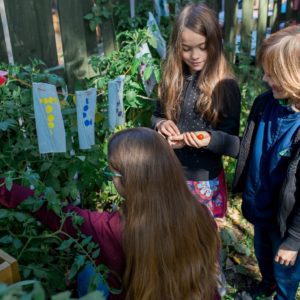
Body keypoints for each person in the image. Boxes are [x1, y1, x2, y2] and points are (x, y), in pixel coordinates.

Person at [0, 127, 220, 300]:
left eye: (111, 172)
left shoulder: (111, 229)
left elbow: (48, 210)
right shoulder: (200, 214)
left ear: (127, 180)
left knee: (88, 268)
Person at [151, 3, 241, 219]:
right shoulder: (171, 79)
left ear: (215, 43)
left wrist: (208, 139)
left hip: (206, 183)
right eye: (186, 48)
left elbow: (235, 144)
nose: (195, 55)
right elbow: (155, 115)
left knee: (204, 242)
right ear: (176, 47)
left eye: (202, 46)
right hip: (170, 176)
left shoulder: (226, 87)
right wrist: (160, 124)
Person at [232, 25, 300, 300]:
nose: (264, 78)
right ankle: (267, 283)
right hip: (260, 207)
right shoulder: (265, 103)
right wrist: (210, 141)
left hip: (287, 224)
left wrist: (294, 240)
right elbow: (247, 146)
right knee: (262, 252)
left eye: (272, 74)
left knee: (286, 268)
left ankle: (282, 293)